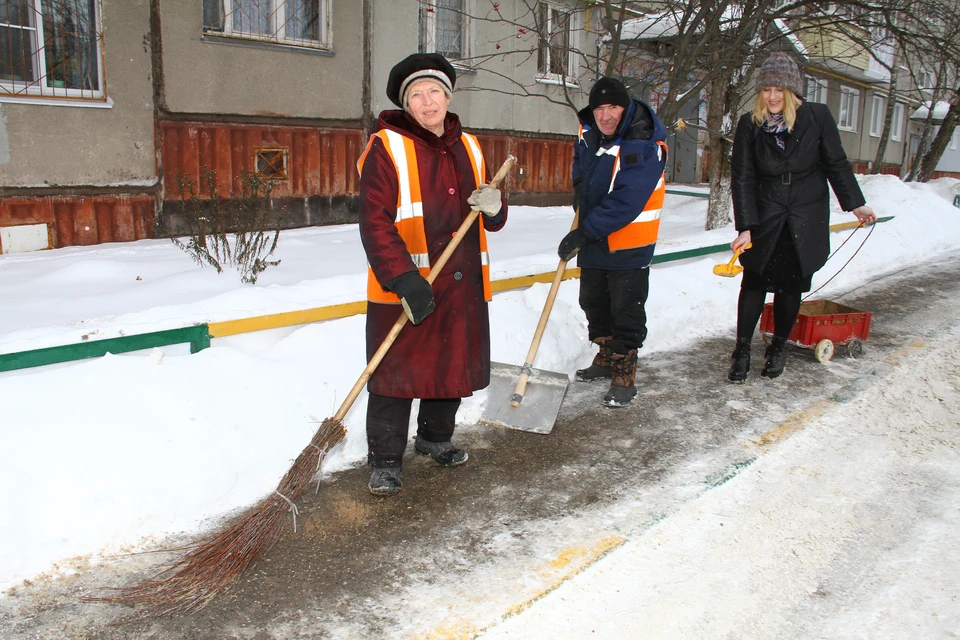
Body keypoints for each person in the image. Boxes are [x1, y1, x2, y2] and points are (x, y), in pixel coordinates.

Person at [356, 53, 507, 496]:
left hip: (460, 281)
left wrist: (495, 207)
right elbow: (375, 221)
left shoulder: (471, 145)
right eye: (418, 95)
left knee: (450, 365)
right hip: (407, 283)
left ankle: (434, 439)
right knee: (395, 375)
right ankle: (385, 458)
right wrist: (402, 278)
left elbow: (487, 212)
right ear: (406, 103)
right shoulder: (388, 146)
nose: (428, 102)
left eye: (435, 91)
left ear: (448, 95)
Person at [728, 52, 876, 382]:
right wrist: (746, 227)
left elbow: (836, 163)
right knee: (753, 282)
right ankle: (741, 350)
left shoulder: (817, 117)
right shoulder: (749, 124)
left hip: (804, 214)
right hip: (765, 215)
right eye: (766, 90)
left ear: (793, 90)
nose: (772, 96)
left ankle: (778, 348)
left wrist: (856, 204)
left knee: (790, 285)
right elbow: (743, 177)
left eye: (779, 89)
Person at [557, 77, 668, 408]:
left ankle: (624, 372)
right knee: (593, 300)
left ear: (626, 107)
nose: (605, 116)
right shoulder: (589, 130)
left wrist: (583, 232)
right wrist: (579, 185)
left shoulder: (643, 142)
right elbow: (581, 158)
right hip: (594, 235)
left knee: (626, 308)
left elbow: (627, 200)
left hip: (629, 243)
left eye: (613, 108)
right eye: (599, 108)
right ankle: (605, 358)